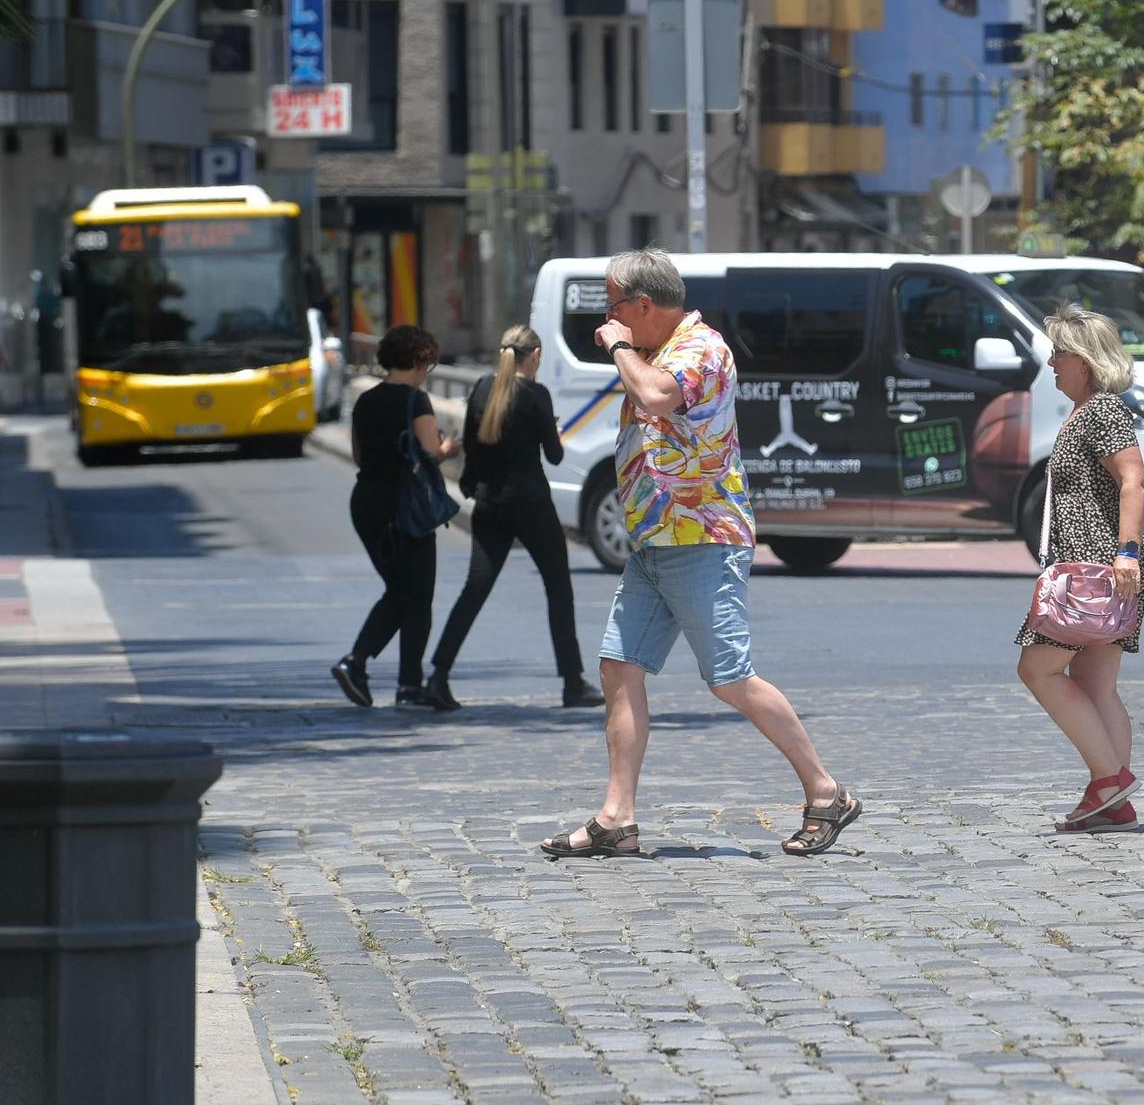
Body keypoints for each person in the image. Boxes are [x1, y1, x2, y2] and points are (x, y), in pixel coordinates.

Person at [540, 248, 858, 859]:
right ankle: (617, 818)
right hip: (657, 540)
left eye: (614, 307)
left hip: (702, 537)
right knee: (619, 666)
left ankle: (826, 792)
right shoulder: (657, 350)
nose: (608, 318)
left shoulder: (699, 349)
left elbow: (658, 398)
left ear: (642, 305)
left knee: (730, 678)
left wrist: (617, 347)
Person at [1015, 305, 1144, 834]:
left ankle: (1108, 781)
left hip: (1096, 565)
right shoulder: (1087, 410)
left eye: (1058, 353)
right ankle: (1114, 801)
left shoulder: (1102, 411)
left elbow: (1133, 481)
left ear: (1085, 360)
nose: (1050, 363)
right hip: (1100, 563)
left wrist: (1128, 553)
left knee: (1036, 668)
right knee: (1096, 685)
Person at [428, 324, 605, 712]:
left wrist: (474, 489)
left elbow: (471, 449)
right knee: (558, 589)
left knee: (474, 591)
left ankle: (437, 675)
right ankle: (572, 683)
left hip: (490, 505)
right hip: (531, 505)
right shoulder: (536, 396)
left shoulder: (481, 389)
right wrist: (553, 430)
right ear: (535, 356)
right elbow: (554, 456)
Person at [330, 323, 460, 709]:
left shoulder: (367, 400)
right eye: (428, 365)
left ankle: (363, 666)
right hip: (407, 507)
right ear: (420, 360)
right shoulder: (415, 401)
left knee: (401, 591)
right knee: (417, 596)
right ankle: (395, 680)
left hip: (367, 501)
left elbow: (358, 455)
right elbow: (430, 451)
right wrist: (449, 446)